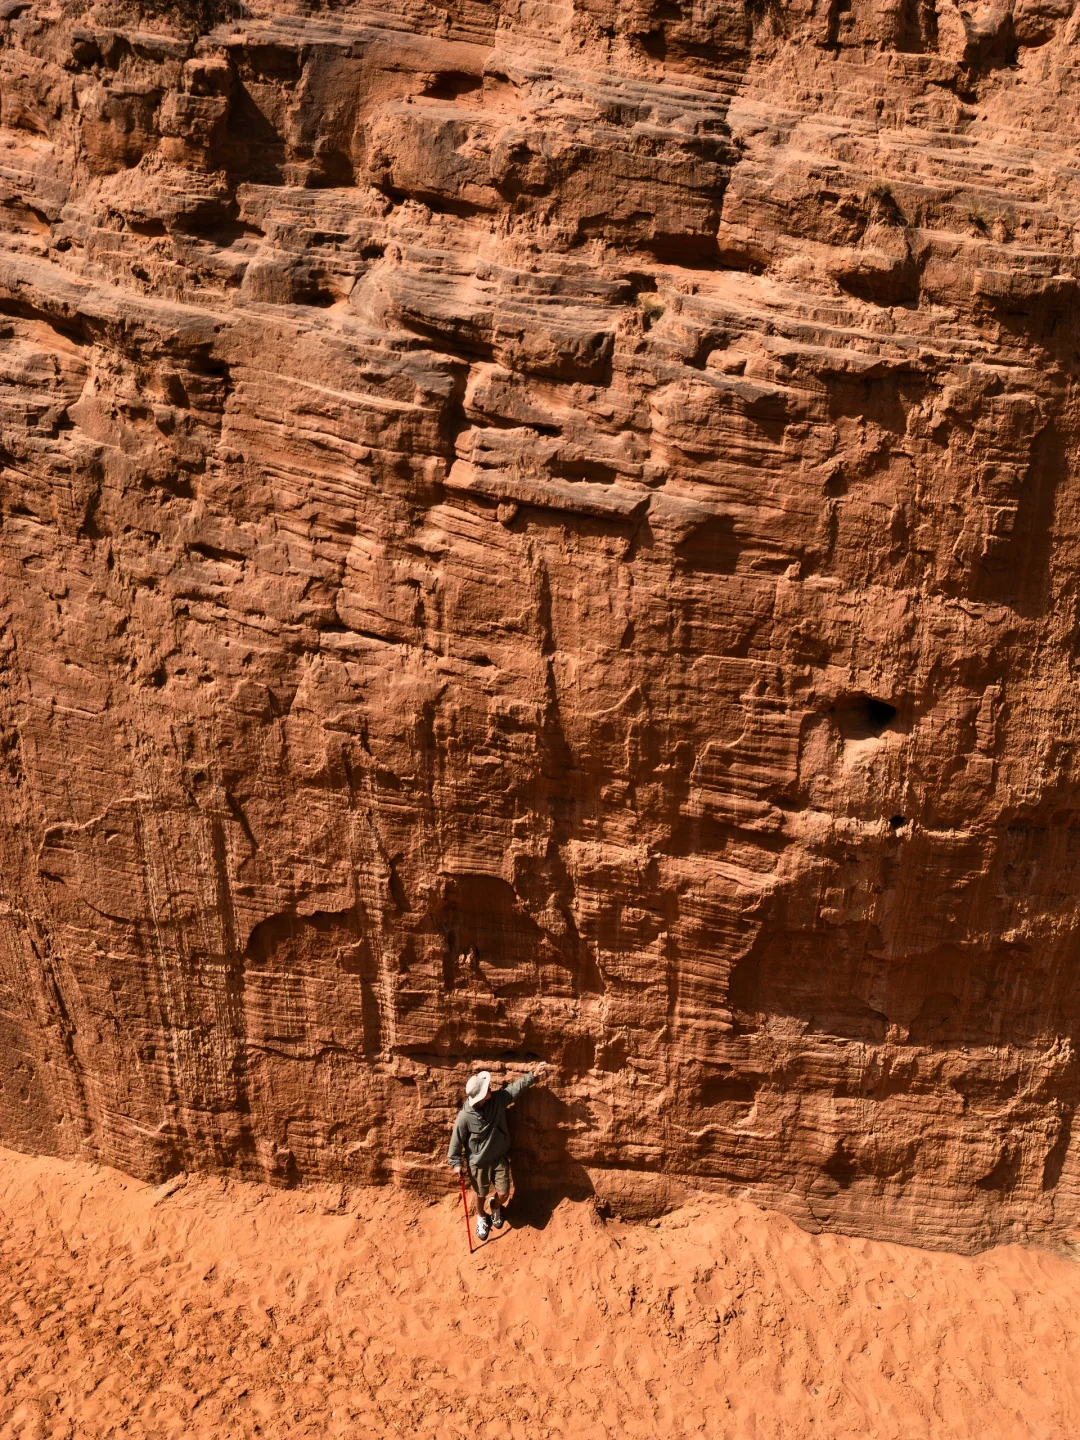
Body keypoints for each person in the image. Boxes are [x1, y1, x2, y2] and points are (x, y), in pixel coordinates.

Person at [448, 1062, 549, 1240]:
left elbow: (514, 1089)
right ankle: (481, 1216)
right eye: (486, 1088)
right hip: (478, 1163)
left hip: (498, 1157)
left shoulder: (496, 1100)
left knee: (503, 1193)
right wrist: (456, 1164)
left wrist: (533, 1076)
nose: (490, 1087)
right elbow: (455, 1141)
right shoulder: (464, 1117)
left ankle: (495, 1206)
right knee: (480, 1193)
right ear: (480, 1096)